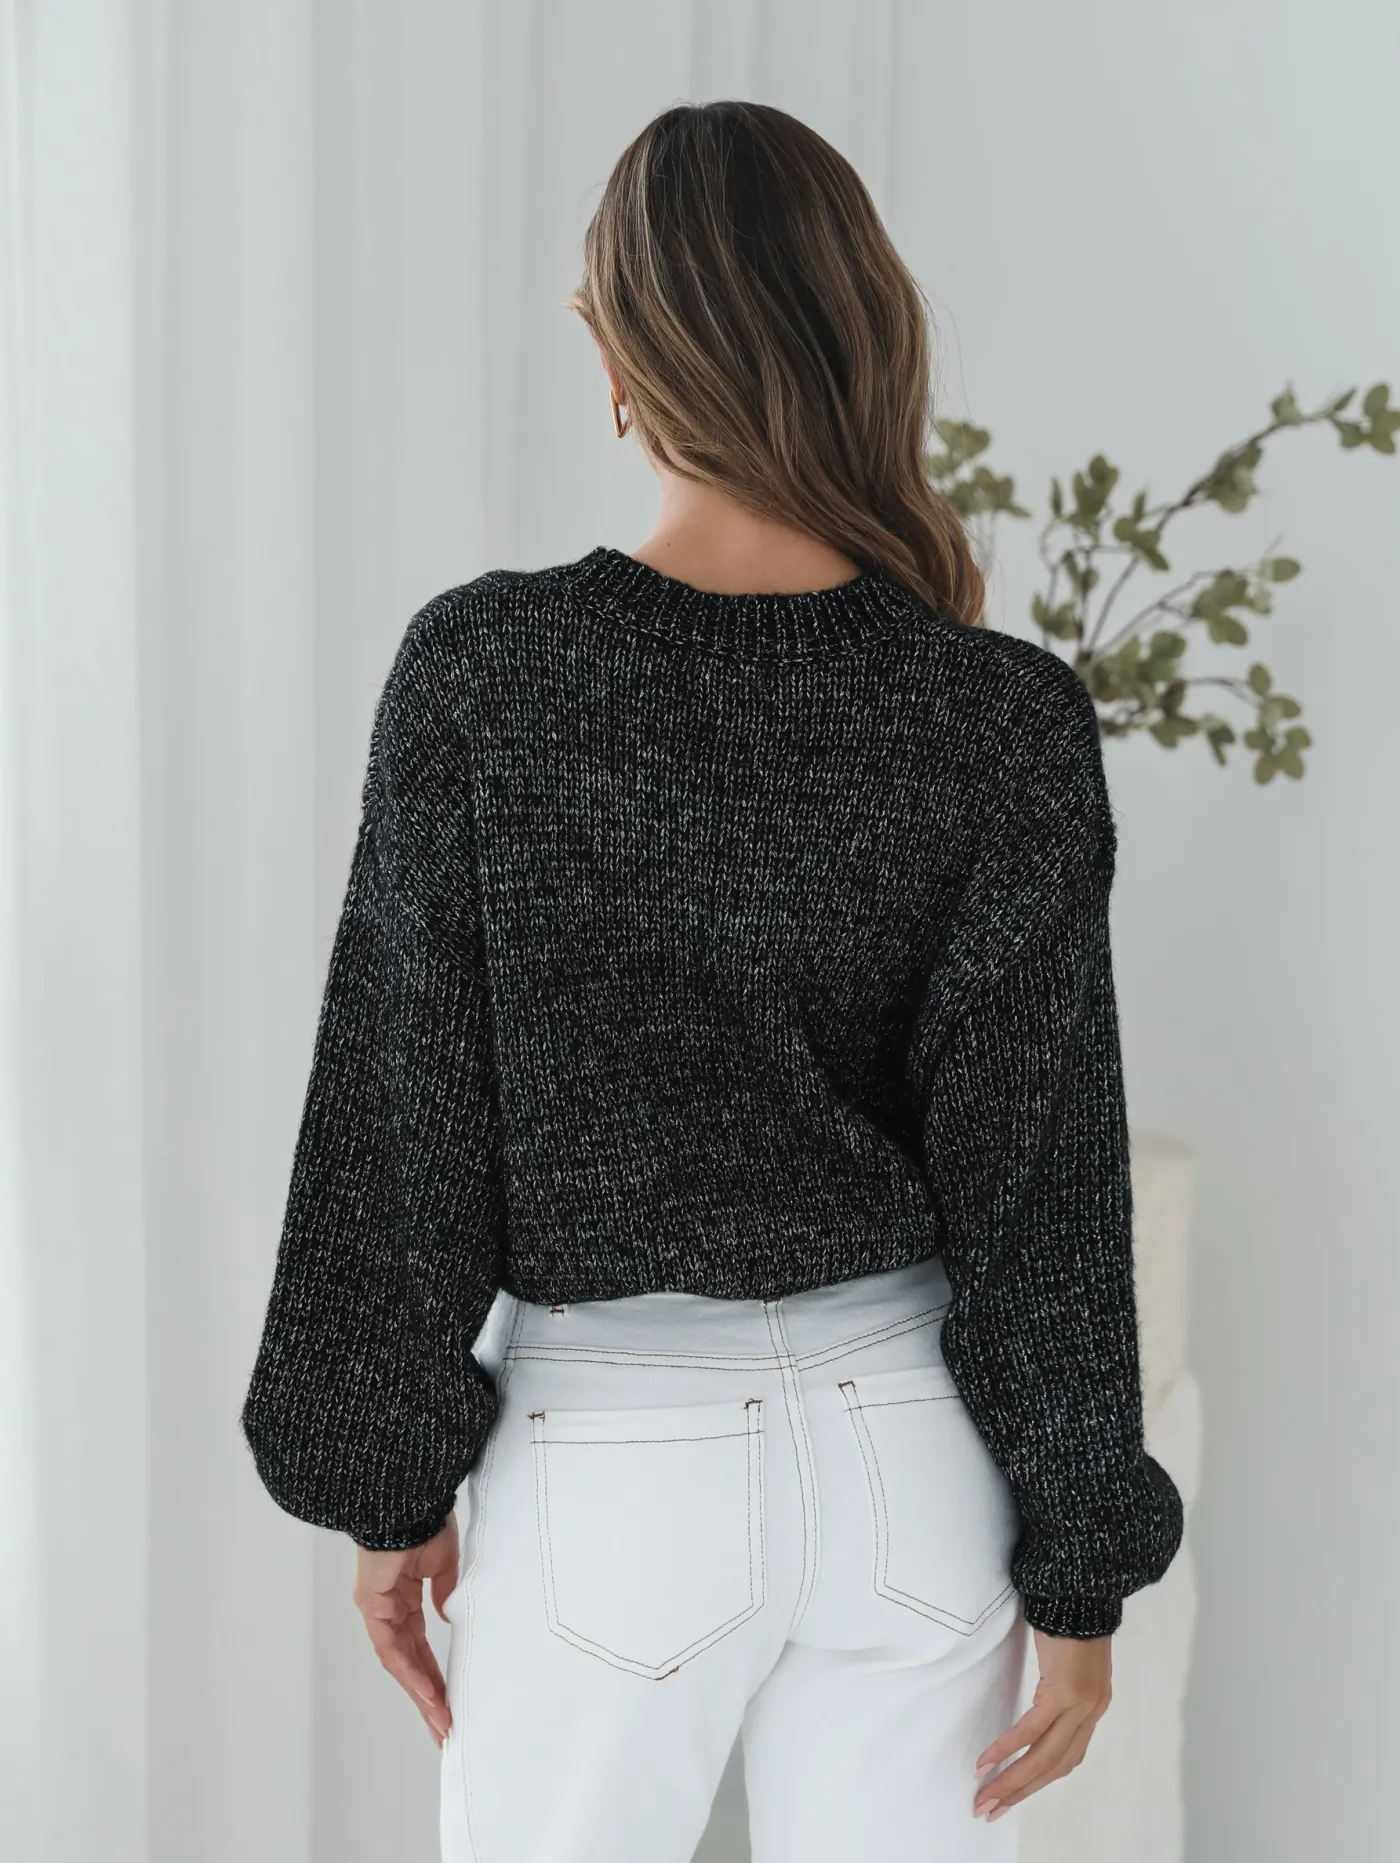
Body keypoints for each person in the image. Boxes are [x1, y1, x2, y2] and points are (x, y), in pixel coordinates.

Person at [240, 99, 1184, 1863]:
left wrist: (384, 1483)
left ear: (621, 363)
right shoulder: (1001, 718)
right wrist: (1079, 1571)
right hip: (915, 1475)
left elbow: (402, 1113)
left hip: (613, 1474)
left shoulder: (484, 675)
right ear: (861, 338)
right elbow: (1040, 1182)